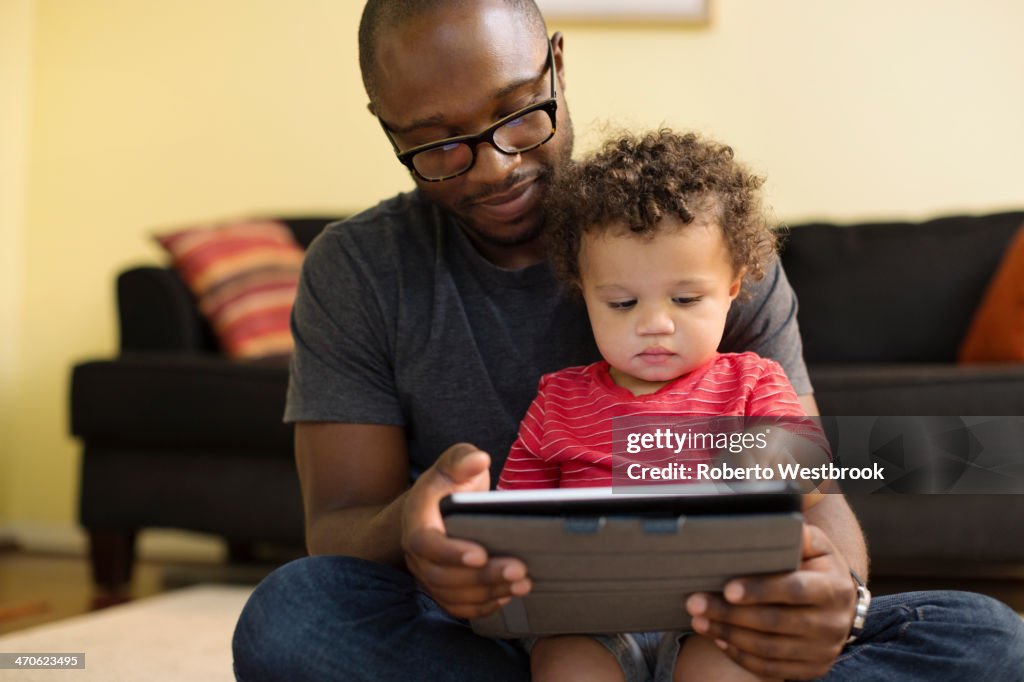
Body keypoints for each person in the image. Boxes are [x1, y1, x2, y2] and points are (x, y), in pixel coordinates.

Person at [231, 1, 1024, 680]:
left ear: (557, 65)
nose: (496, 166)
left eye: (519, 112)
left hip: (721, 628)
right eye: (437, 143)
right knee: (293, 619)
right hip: (523, 636)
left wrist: (835, 603)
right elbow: (335, 527)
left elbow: (820, 494)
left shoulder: (698, 243)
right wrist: (414, 528)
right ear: (384, 122)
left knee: (985, 641)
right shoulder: (358, 270)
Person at [497, 129, 831, 682]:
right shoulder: (558, 399)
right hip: (590, 617)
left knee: (727, 665)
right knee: (564, 663)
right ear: (584, 291)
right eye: (622, 302)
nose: (654, 324)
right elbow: (515, 519)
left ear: (735, 286)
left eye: (685, 299)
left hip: (719, 610)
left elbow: (811, 480)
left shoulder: (752, 382)